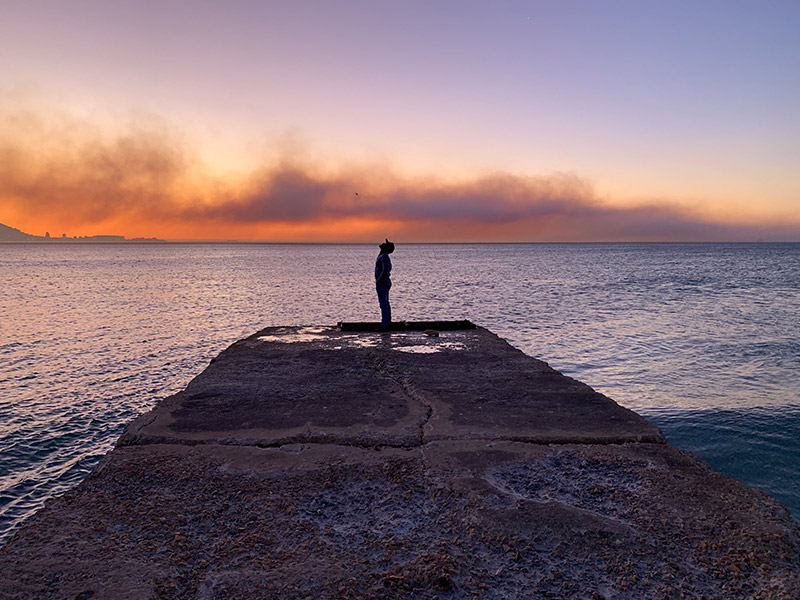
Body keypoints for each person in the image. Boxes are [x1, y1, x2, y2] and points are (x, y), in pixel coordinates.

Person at [375, 238, 394, 329]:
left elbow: (385, 270)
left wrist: (378, 280)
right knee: (384, 303)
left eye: (385, 244)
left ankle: (385, 324)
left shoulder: (384, 257)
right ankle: (386, 322)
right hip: (383, 282)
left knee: (384, 303)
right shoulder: (382, 256)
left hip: (383, 282)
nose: (383, 244)